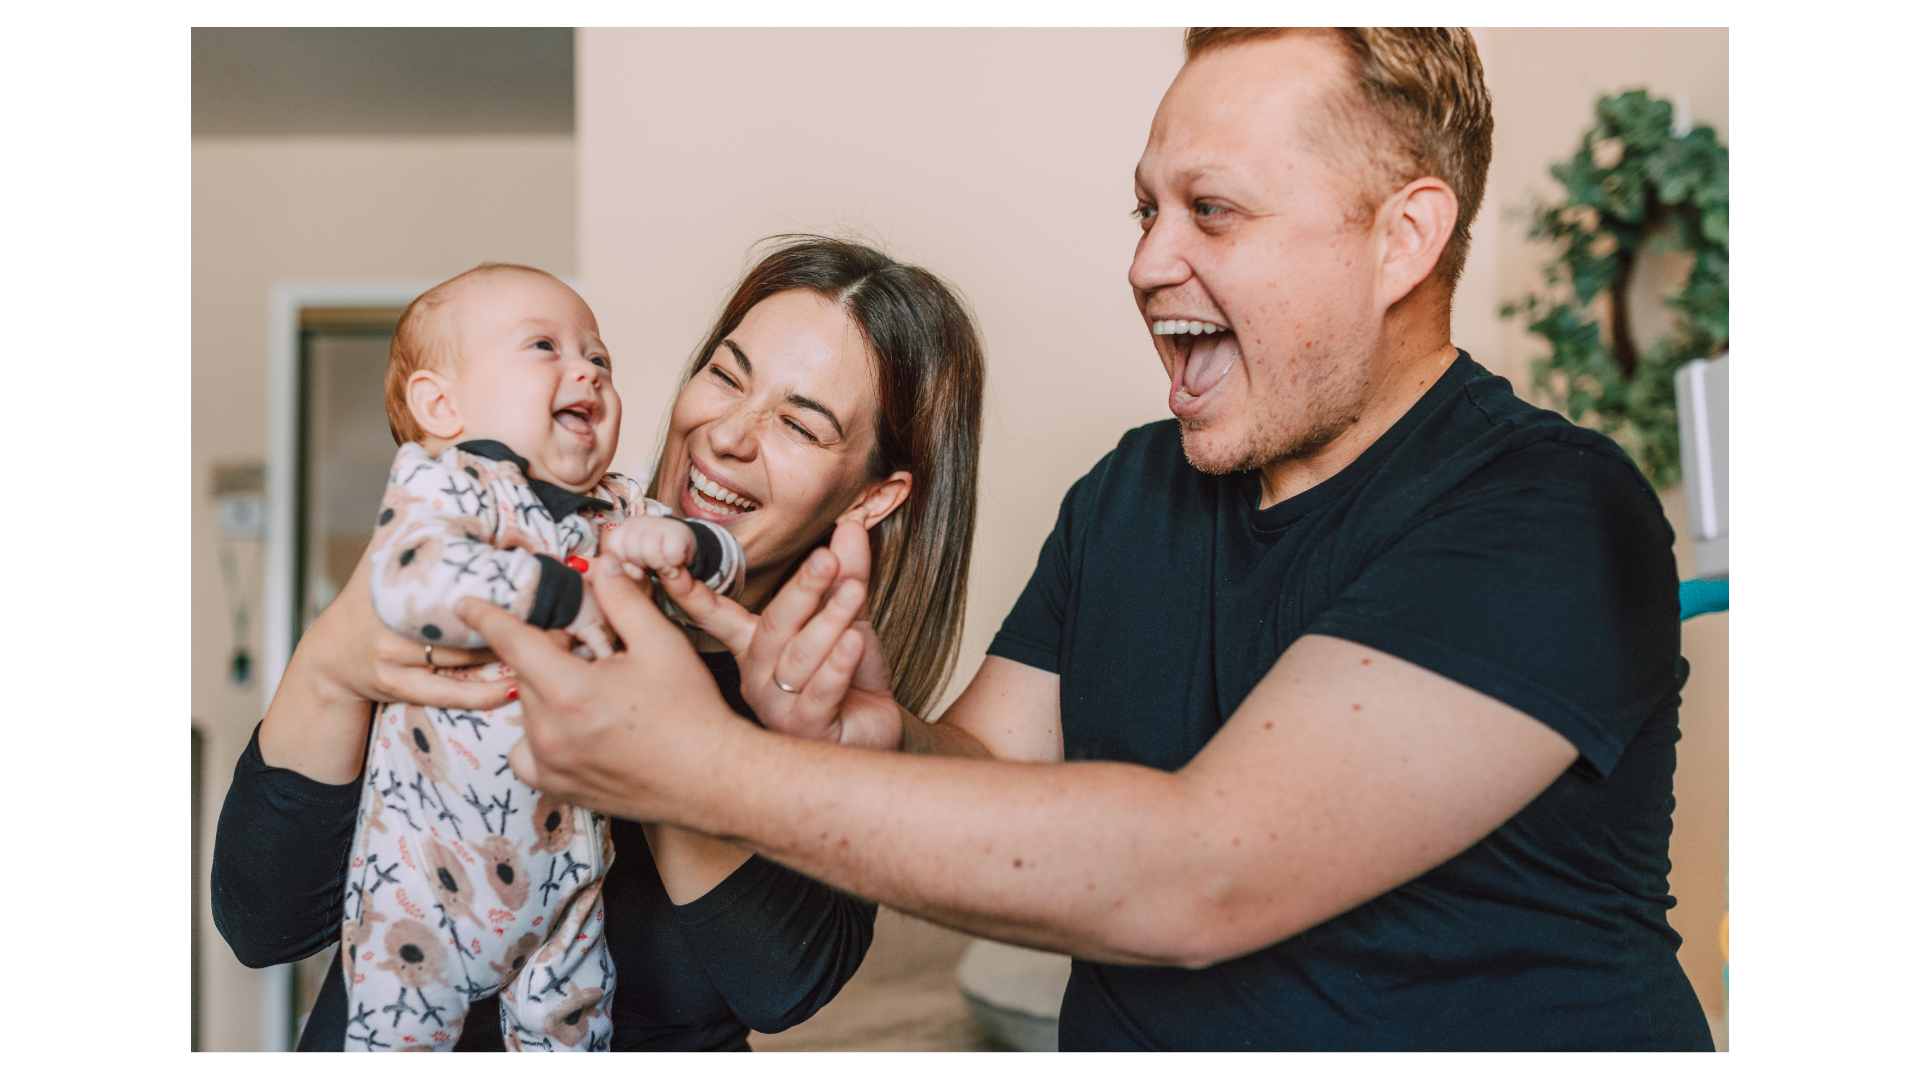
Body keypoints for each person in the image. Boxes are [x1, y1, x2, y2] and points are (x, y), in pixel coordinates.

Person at [473, 28, 1716, 1051]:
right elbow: (992, 771)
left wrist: (693, 769)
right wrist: (876, 734)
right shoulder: (1133, 489)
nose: (1147, 261)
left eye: (1212, 212)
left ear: (1405, 237)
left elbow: (1203, 876)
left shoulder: (1552, 509)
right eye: (1146, 209)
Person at [211, 238, 986, 1051]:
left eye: (798, 423)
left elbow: (781, 985)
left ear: (873, 496)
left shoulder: (825, 708)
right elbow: (262, 925)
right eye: (725, 376)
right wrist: (327, 669)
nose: (729, 434)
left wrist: (662, 729)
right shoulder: (473, 557)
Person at [344, 263, 747, 1051]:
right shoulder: (449, 486)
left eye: (600, 358)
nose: (588, 370)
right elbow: (411, 579)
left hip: (567, 885)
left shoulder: (619, 507)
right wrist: (558, 592)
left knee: (574, 1037)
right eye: (545, 346)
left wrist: (691, 545)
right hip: (424, 886)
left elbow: (727, 574)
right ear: (441, 405)